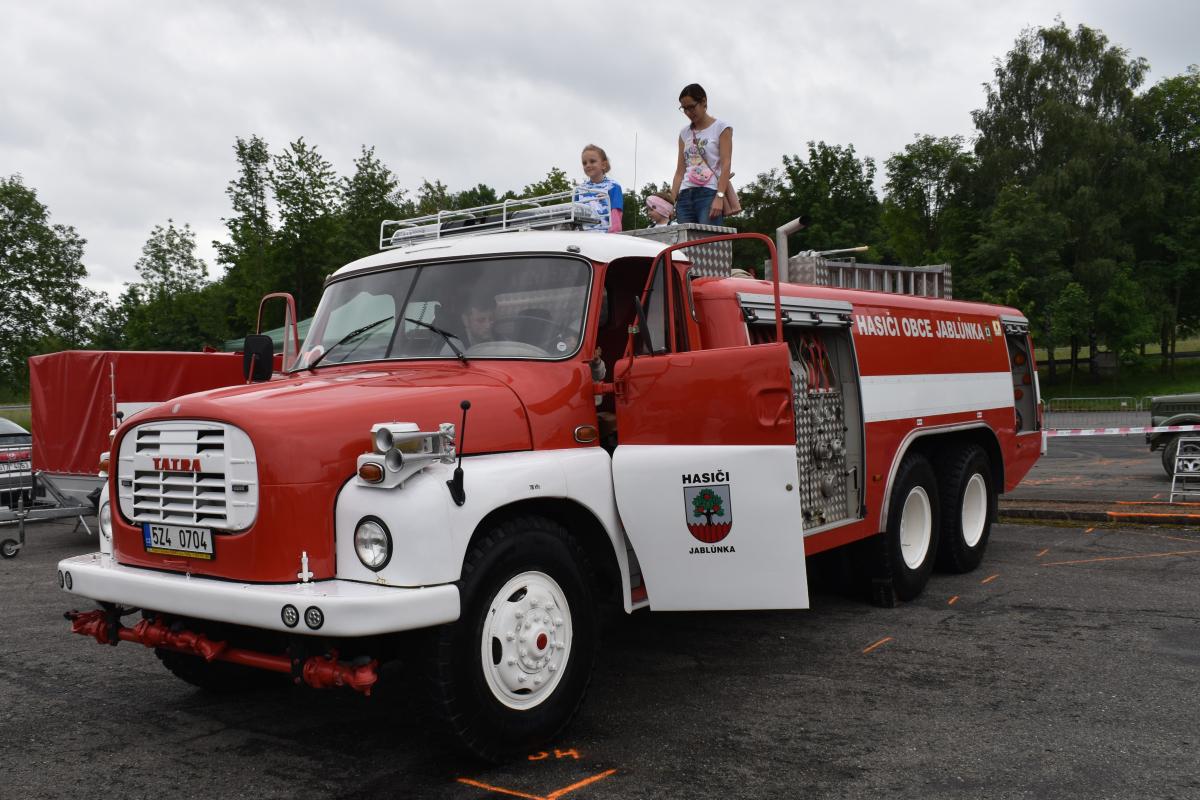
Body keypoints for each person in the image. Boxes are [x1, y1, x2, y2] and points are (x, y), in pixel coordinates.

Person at [670, 83, 733, 226]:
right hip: (685, 195)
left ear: (703, 102)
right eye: (684, 109)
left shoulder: (721, 128)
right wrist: (671, 200)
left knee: (709, 244)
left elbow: (726, 164)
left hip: (709, 193)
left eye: (691, 107)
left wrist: (720, 196)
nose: (688, 112)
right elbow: (680, 170)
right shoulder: (684, 133)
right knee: (686, 246)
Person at [579, 144, 623, 232]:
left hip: (604, 237)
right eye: (584, 163)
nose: (588, 165)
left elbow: (616, 214)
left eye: (592, 161)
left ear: (604, 165)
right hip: (582, 237)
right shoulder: (580, 189)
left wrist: (613, 234)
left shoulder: (613, 187)